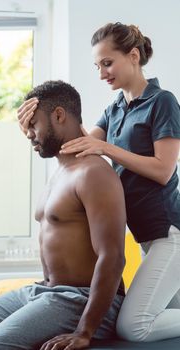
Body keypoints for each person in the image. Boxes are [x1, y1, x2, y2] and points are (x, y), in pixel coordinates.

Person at [18, 23, 180, 343]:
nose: (102, 73)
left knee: (134, 326)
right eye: (97, 66)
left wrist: (106, 148)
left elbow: (163, 170)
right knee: (161, 319)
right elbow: (72, 149)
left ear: (133, 56)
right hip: (145, 237)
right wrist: (35, 127)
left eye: (107, 63)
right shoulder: (114, 109)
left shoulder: (162, 102)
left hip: (170, 233)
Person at [0, 80, 126, 350]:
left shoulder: (93, 173)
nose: (28, 134)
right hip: (45, 291)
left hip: (81, 298)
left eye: (34, 124)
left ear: (59, 115)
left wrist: (84, 331)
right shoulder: (60, 172)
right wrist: (37, 129)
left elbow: (112, 258)